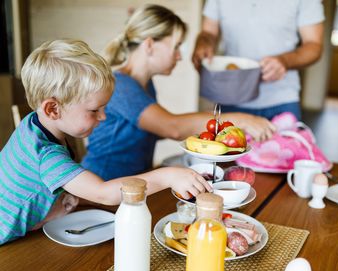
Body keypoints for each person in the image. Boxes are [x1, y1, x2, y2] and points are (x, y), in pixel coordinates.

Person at [0, 39, 211, 245]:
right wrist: (168, 176)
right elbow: (104, 194)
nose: (103, 116)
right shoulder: (46, 156)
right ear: (53, 109)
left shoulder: (33, 125)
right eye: (94, 110)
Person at [81, 4, 276, 181]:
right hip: (102, 187)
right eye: (176, 46)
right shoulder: (121, 86)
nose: (180, 55)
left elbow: (159, 127)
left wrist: (209, 122)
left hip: (130, 184)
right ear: (149, 45)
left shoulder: (145, 85)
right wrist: (241, 119)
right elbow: (171, 127)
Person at [192, 0, 325, 120]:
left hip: (282, 100)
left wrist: (285, 61)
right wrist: (204, 43)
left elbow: (314, 45)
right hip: (230, 97)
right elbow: (208, 32)